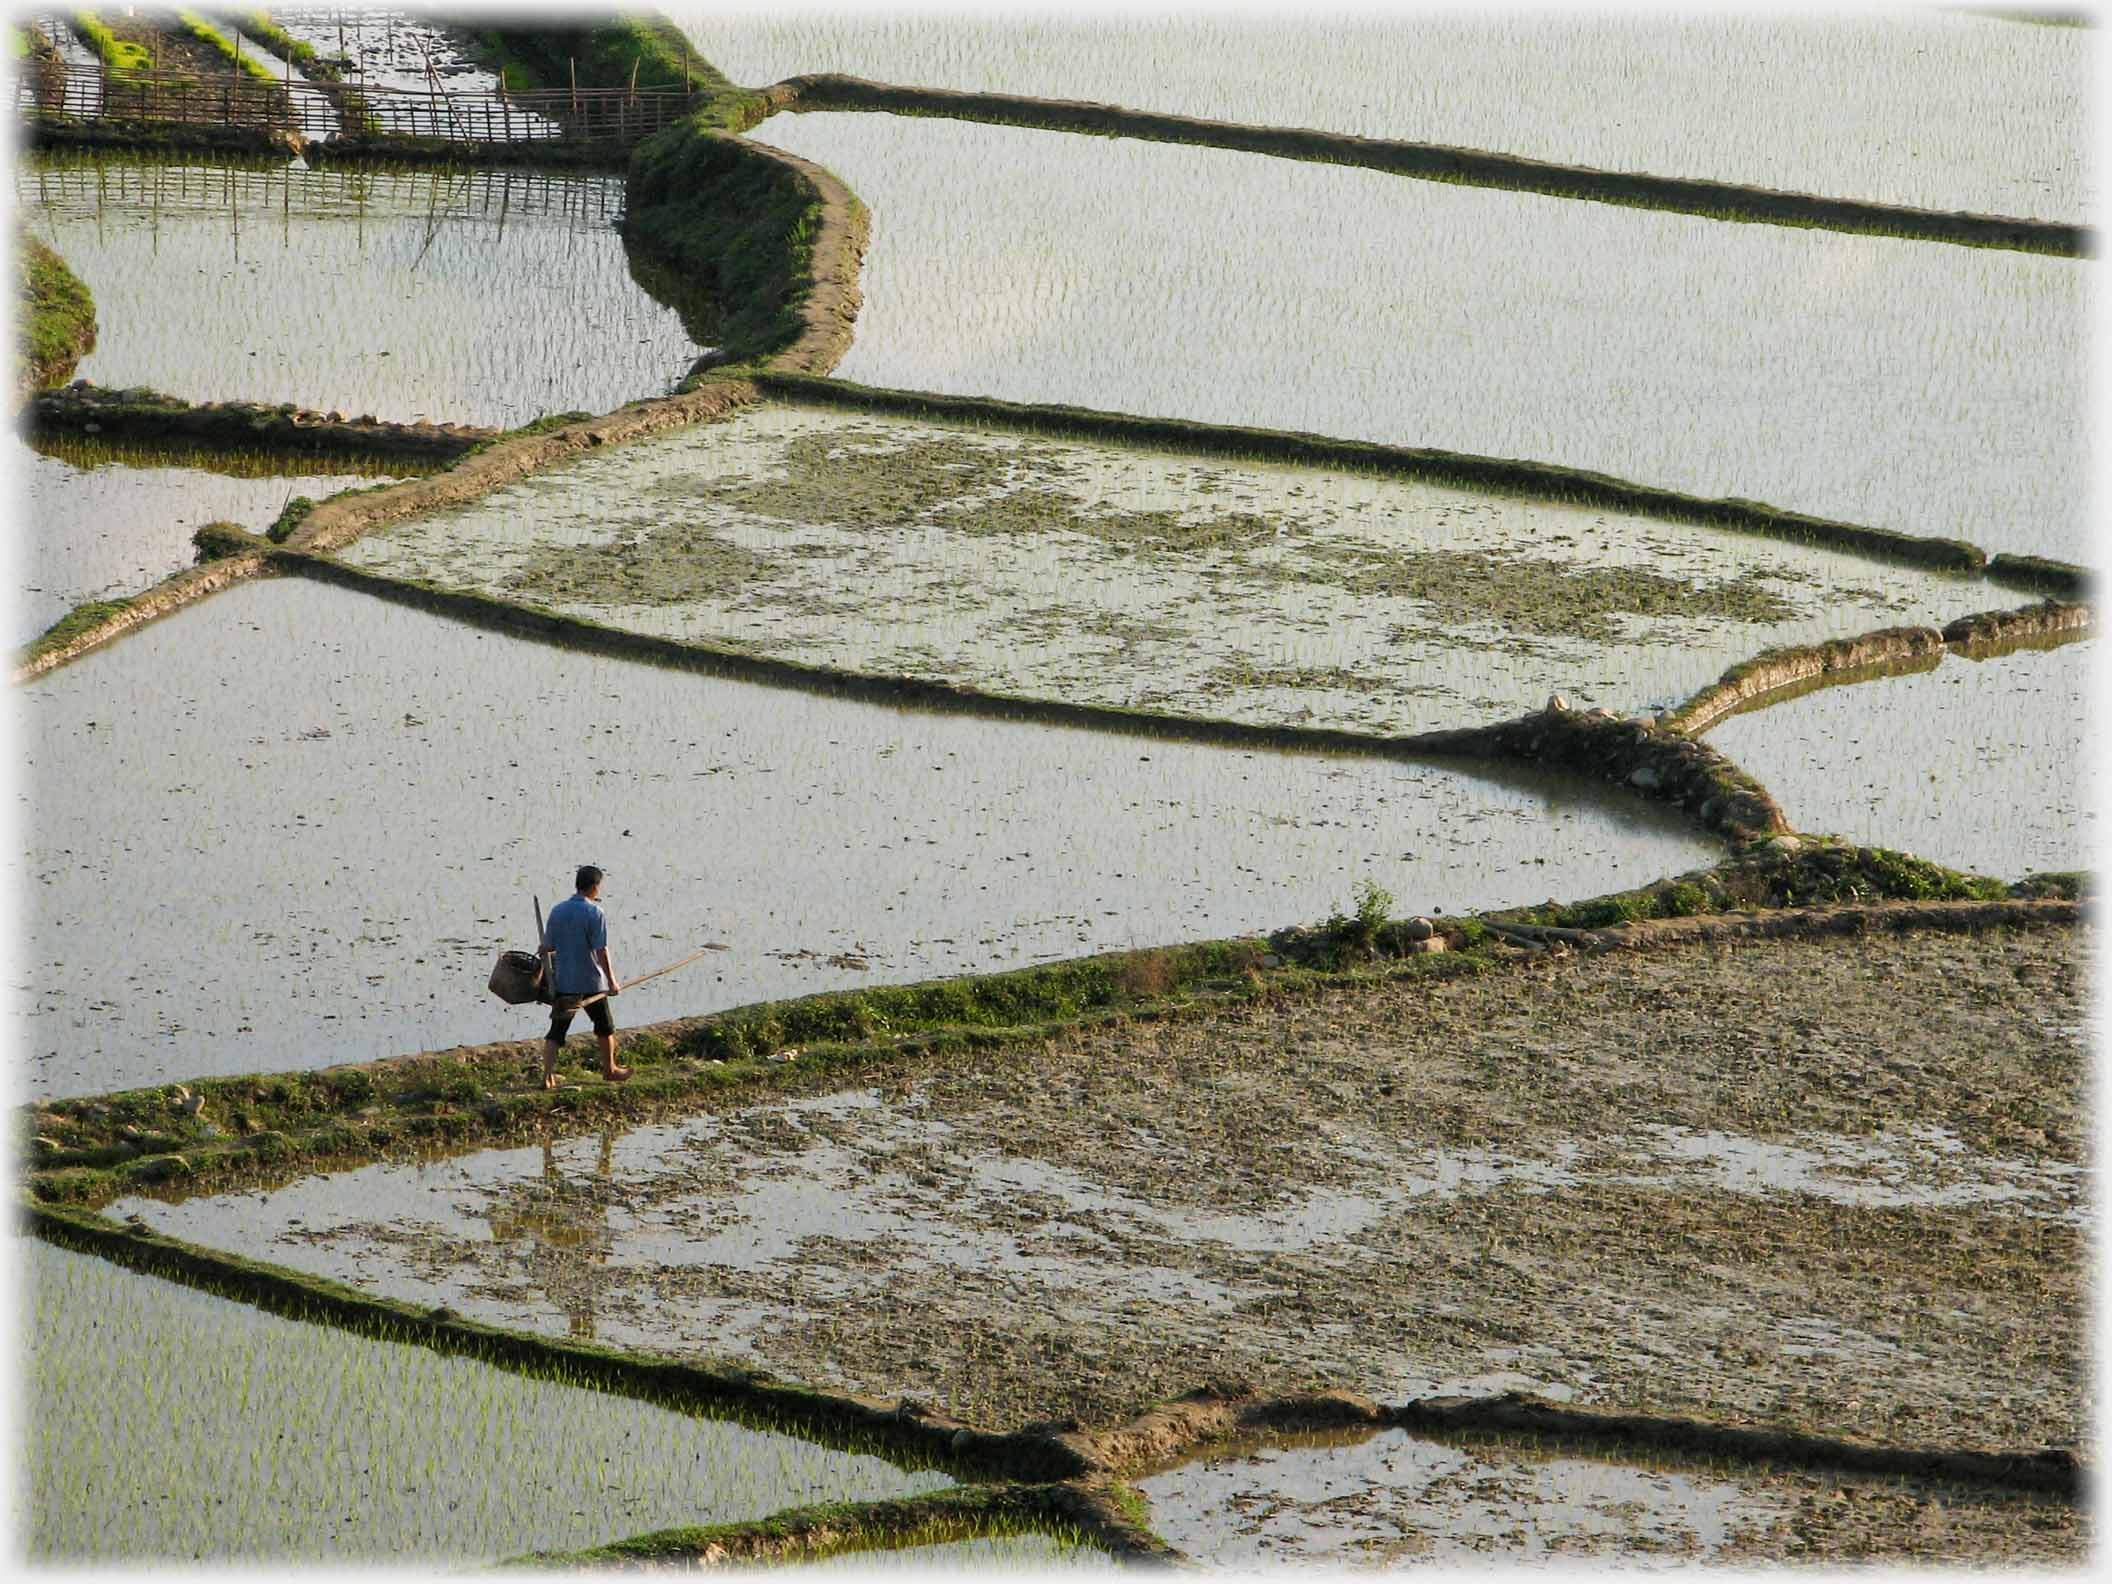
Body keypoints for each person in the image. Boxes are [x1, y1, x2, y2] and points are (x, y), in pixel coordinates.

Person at [540, 864, 628, 1088]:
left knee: (556, 1031)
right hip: (590, 981)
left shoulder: (558, 911)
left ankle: (547, 1076)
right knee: (605, 1027)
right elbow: (601, 950)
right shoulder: (594, 912)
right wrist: (612, 981)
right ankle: (610, 1069)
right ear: (594, 888)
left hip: (565, 981)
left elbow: (547, 947)